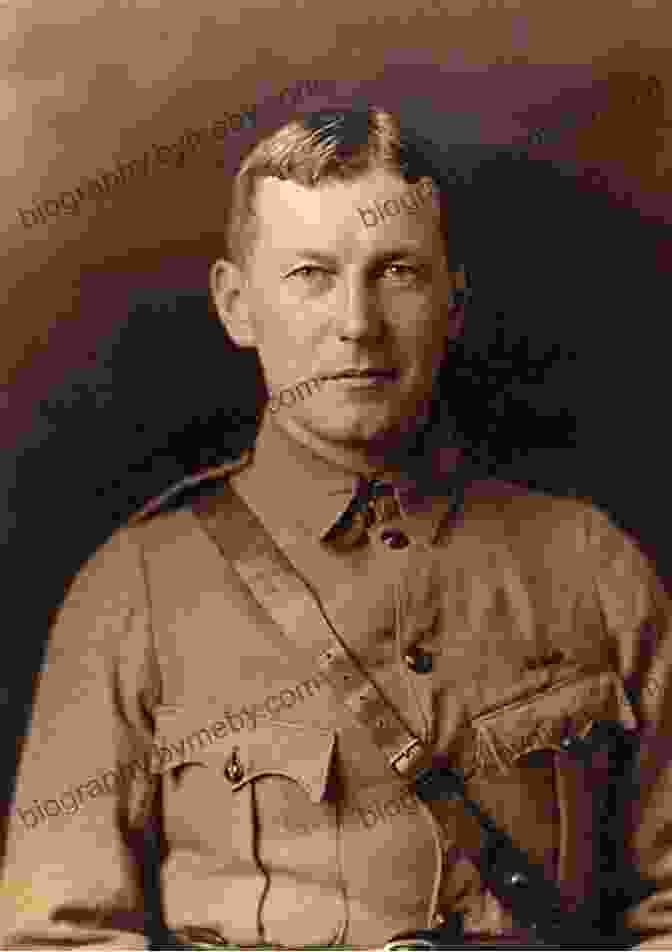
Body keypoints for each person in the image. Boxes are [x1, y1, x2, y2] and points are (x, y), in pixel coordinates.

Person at [2, 107, 672, 951]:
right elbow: (58, 936)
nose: (358, 323)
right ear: (236, 304)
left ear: (454, 300)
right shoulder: (133, 590)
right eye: (311, 275)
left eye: (396, 273)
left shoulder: (590, 564)